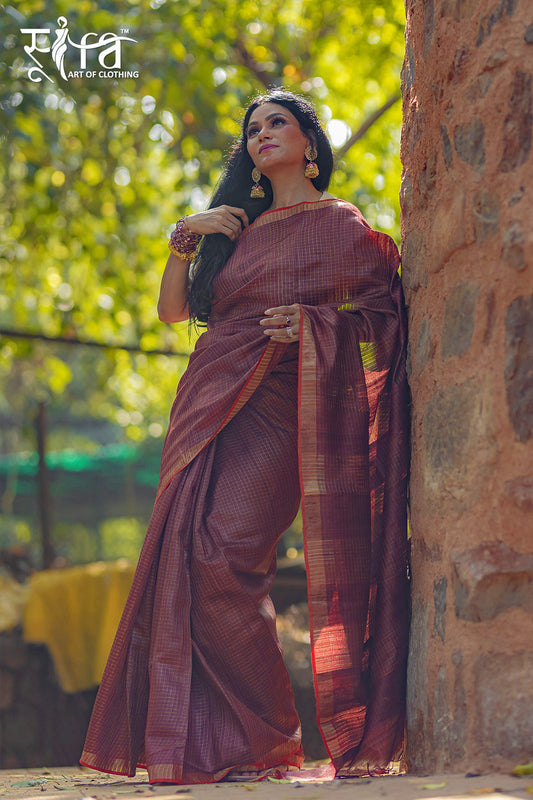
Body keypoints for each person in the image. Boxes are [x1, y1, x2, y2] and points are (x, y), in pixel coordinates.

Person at [80, 89, 410, 784]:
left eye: (277, 123)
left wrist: (316, 325)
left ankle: (269, 736)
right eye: (252, 128)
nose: (262, 134)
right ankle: (234, 746)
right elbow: (174, 312)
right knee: (192, 557)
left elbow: (385, 316)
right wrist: (186, 236)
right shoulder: (236, 231)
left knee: (224, 555)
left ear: (309, 144)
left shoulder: (340, 226)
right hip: (208, 403)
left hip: (285, 406)